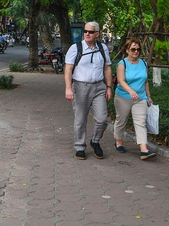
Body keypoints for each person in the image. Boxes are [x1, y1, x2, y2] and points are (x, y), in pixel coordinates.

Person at [64, 21, 112, 160]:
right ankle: (80, 147)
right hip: (80, 87)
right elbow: (68, 68)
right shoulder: (76, 48)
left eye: (90, 32)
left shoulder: (103, 48)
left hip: (99, 87)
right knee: (80, 119)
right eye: (85, 31)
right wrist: (68, 88)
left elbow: (107, 68)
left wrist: (109, 87)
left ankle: (95, 141)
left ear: (97, 34)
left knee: (102, 119)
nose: (87, 34)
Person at [114, 38, 156, 160]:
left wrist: (148, 96)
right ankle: (118, 142)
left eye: (138, 49)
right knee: (121, 120)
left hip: (141, 97)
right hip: (123, 97)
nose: (135, 51)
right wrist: (131, 91)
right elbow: (121, 80)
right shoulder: (122, 64)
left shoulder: (144, 63)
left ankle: (144, 150)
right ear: (127, 50)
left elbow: (146, 81)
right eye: (133, 49)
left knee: (140, 122)